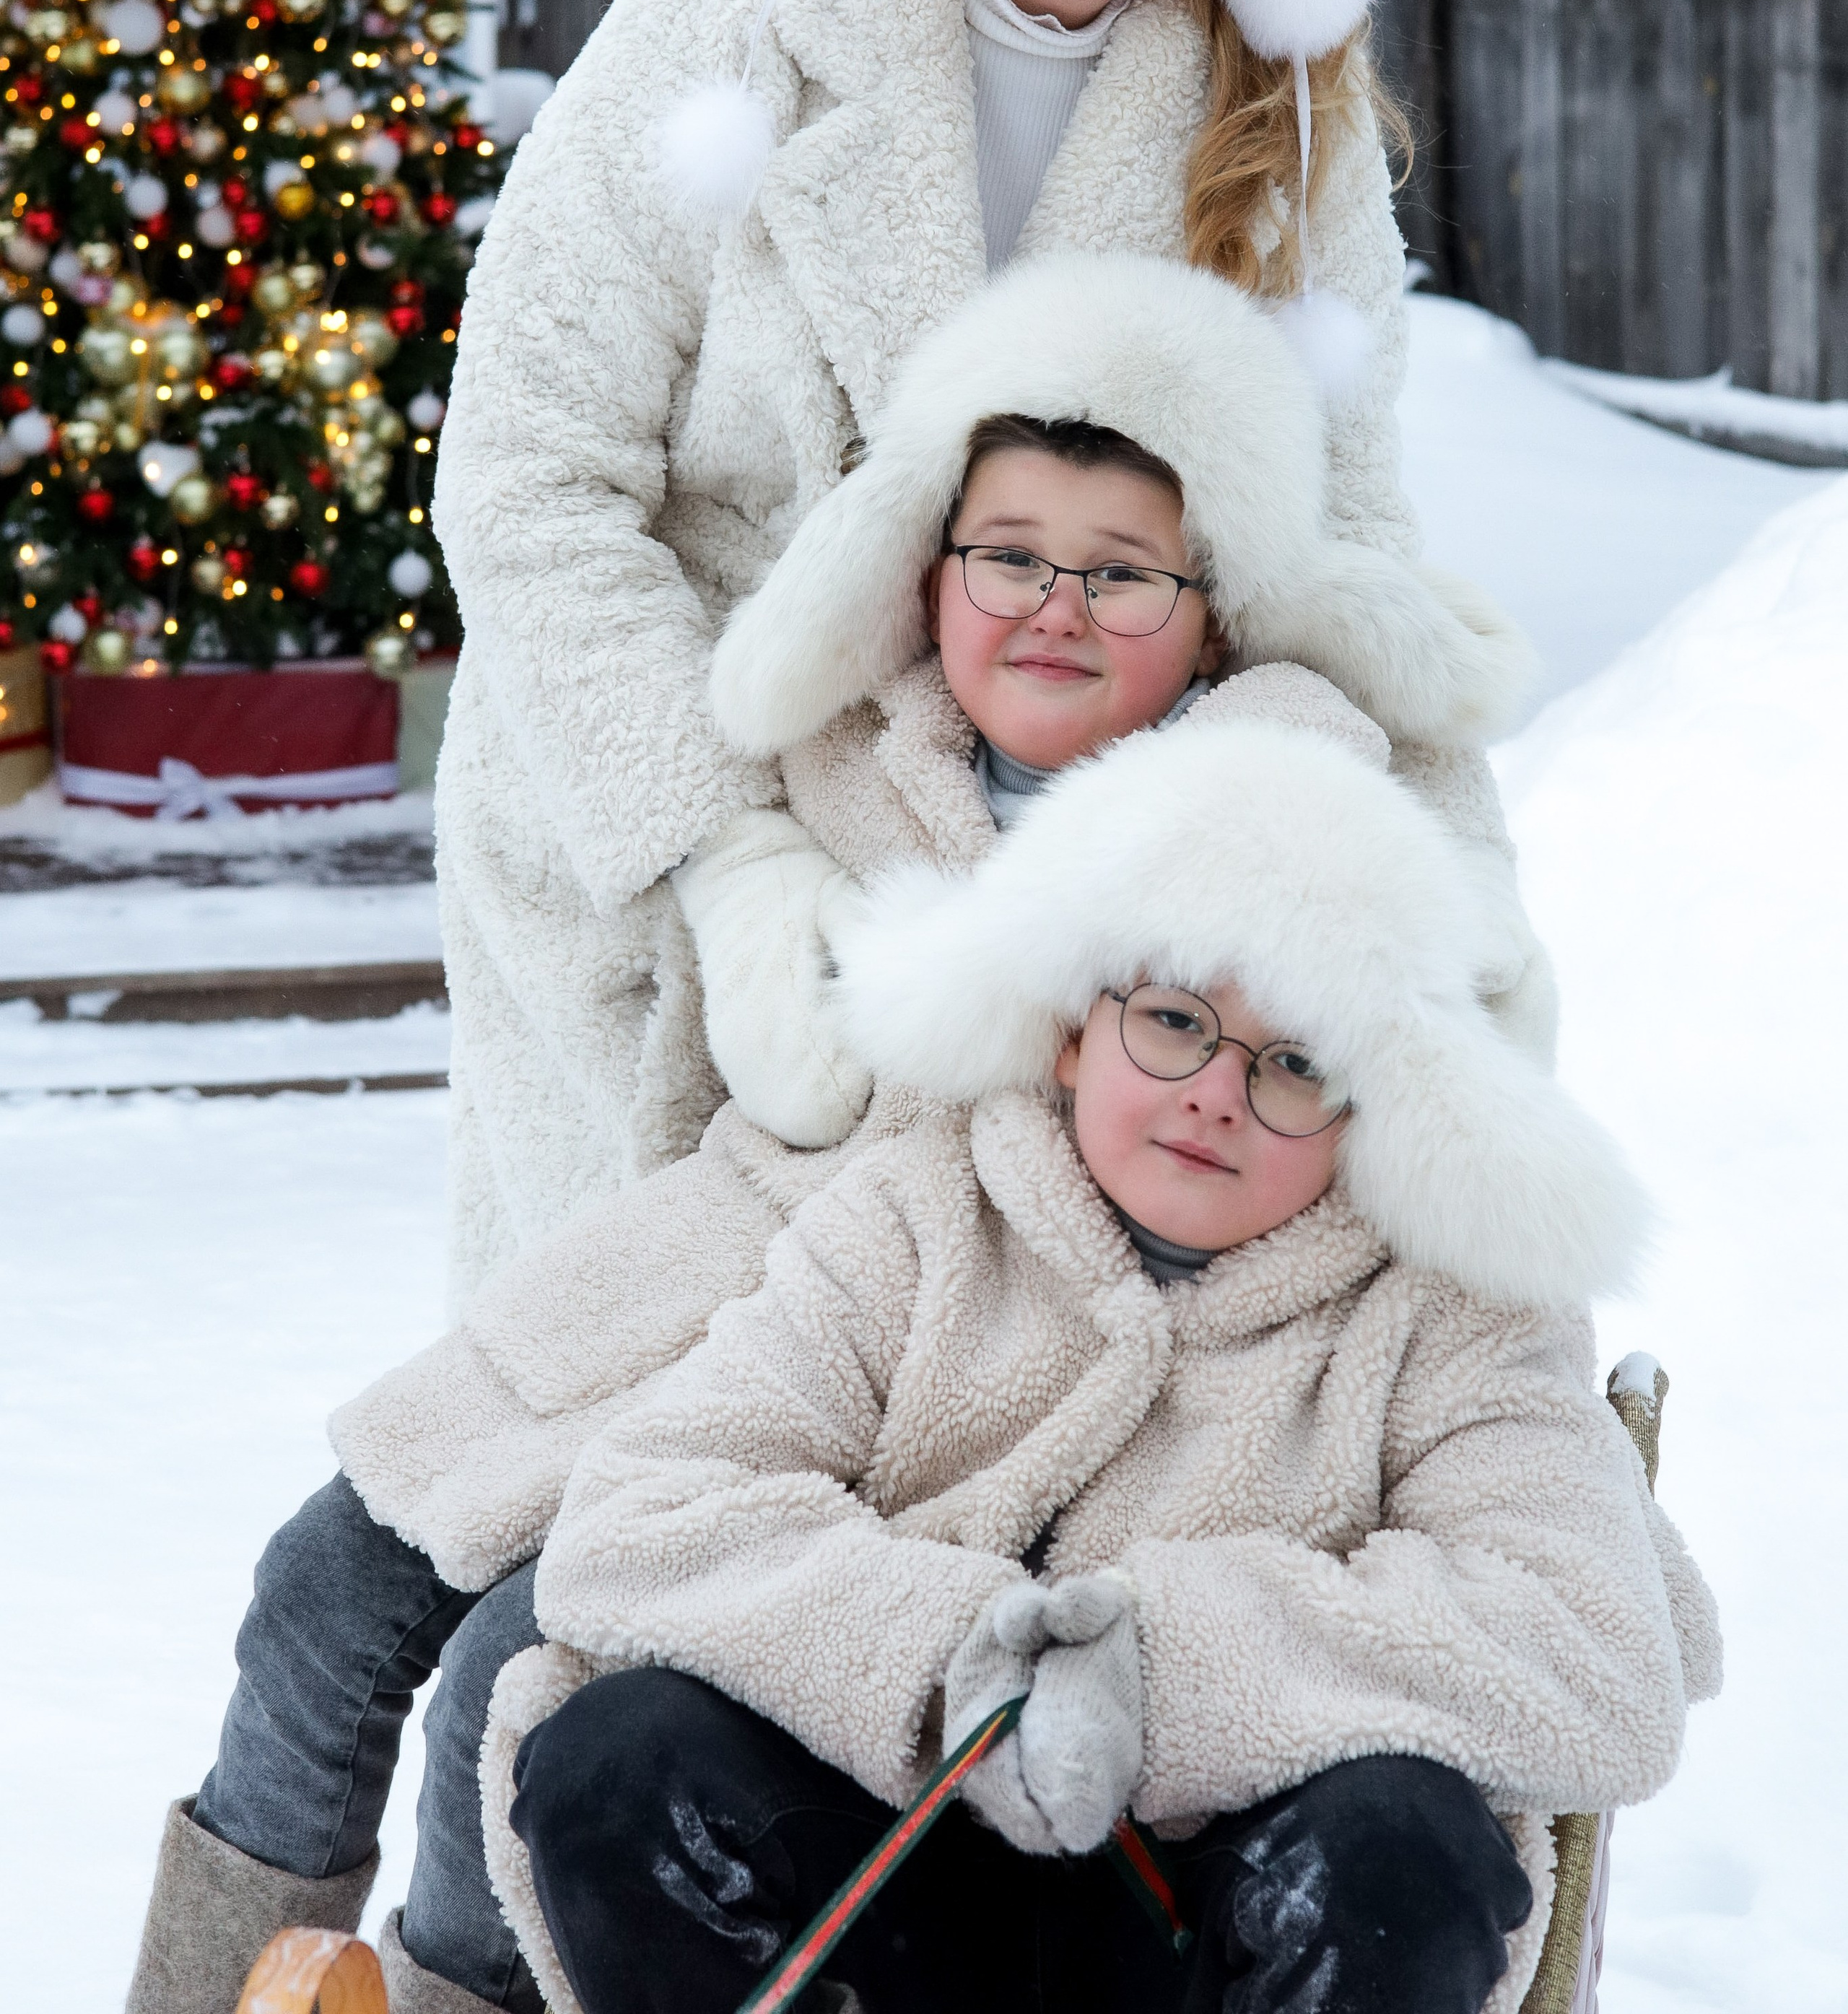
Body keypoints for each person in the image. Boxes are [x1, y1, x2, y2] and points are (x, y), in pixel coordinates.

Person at [125, 257, 1530, 2014]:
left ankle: (451, 1994)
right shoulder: (868, 742)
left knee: (520, 1662)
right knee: (323, 1588)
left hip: (960, 1326)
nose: (1054, 610)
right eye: (1007, 558)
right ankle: (198, 1994)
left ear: (1217, 601)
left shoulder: (1273, 804)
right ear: (929, 564)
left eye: (1120, 576)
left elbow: (1403, 1057)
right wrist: (749, 892)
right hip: (738, 1256)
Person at [430, 0, 1547, 1293]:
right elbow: (531, 478)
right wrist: (725, 864)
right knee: (620, 1435)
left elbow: (1334, 550)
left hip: (1062, 880)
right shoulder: (738, 6)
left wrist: (1455, 913)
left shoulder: (1281, 126)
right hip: (677, 807)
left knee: (988, 1435)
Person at [492, 720, 1720, 2014]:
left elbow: (1596, 1657)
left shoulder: (1458, 1312)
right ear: (1079, 1029)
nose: (1216, 1095)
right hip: (889, 1893)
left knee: (1400, 1840)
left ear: (1372, 1105)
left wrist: (1161, 1670)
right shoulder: (916, 1217)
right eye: (1177, 1019)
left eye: (1298, 1061)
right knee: (618, 1758)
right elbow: (638, 1522)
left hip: (1220, 1921)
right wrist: (952, 1662)